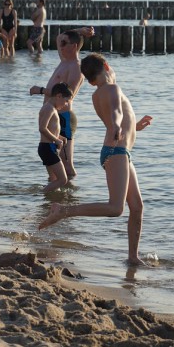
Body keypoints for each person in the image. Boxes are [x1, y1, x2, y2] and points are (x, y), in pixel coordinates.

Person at [39, 53, 153, 266]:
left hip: (119, 152)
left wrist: (134, 126)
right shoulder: (113, 89)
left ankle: (132, 257)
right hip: (116, 152)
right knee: (116, 208)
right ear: (107, 66)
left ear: (89, 81)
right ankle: (63, 211)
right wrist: (119, 125)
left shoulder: (99, 93)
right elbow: (117, 114)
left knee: (136, 207)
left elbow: (116, 117)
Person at [29, 27, 95, 178]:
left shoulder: (76, 67)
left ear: (74, 46)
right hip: (52, 115)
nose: (61, 45)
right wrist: (81, 30)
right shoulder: (64, 60)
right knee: (52, 161)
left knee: (66, 163)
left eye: (65, 43)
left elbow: (67, 95)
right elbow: (59, 36)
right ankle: (54, 197)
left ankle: (70, 197)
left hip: (63, 117)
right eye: (61, 44)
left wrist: (40, 90)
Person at [38, 82, 73, 192]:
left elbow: (50, 129)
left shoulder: (50, 108)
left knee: (54, 179)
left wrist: (60, 137)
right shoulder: (49, 108)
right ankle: (42, 193)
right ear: (58, 96)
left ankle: (51, 201)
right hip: (47, 148)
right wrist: (57, 140)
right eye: (66, 100)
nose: (66, 104)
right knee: (63, 180)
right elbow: (42, 128)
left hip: (47, 147)